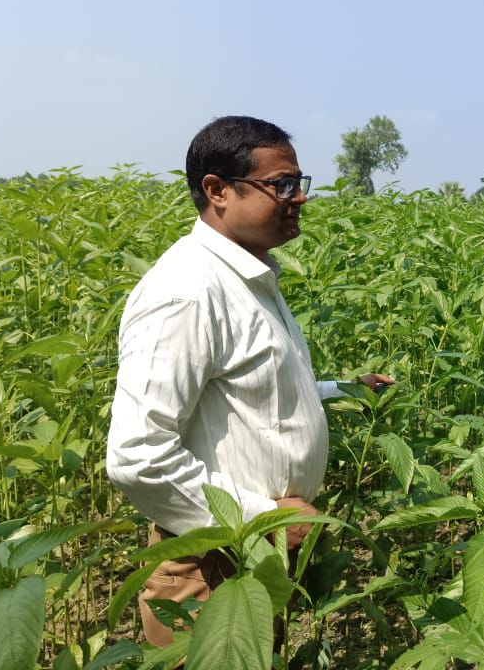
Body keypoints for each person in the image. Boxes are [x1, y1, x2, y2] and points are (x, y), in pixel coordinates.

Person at [106, 115, 391, 646]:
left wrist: (343, 390)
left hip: (252, 555)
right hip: (210, 566)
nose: (298, 198)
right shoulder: (187, 291)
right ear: (217, 191)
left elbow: (258, 392)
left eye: (299, 183)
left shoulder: (251, 278)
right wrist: (264, 518)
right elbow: (136, 456)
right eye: (281, 184)